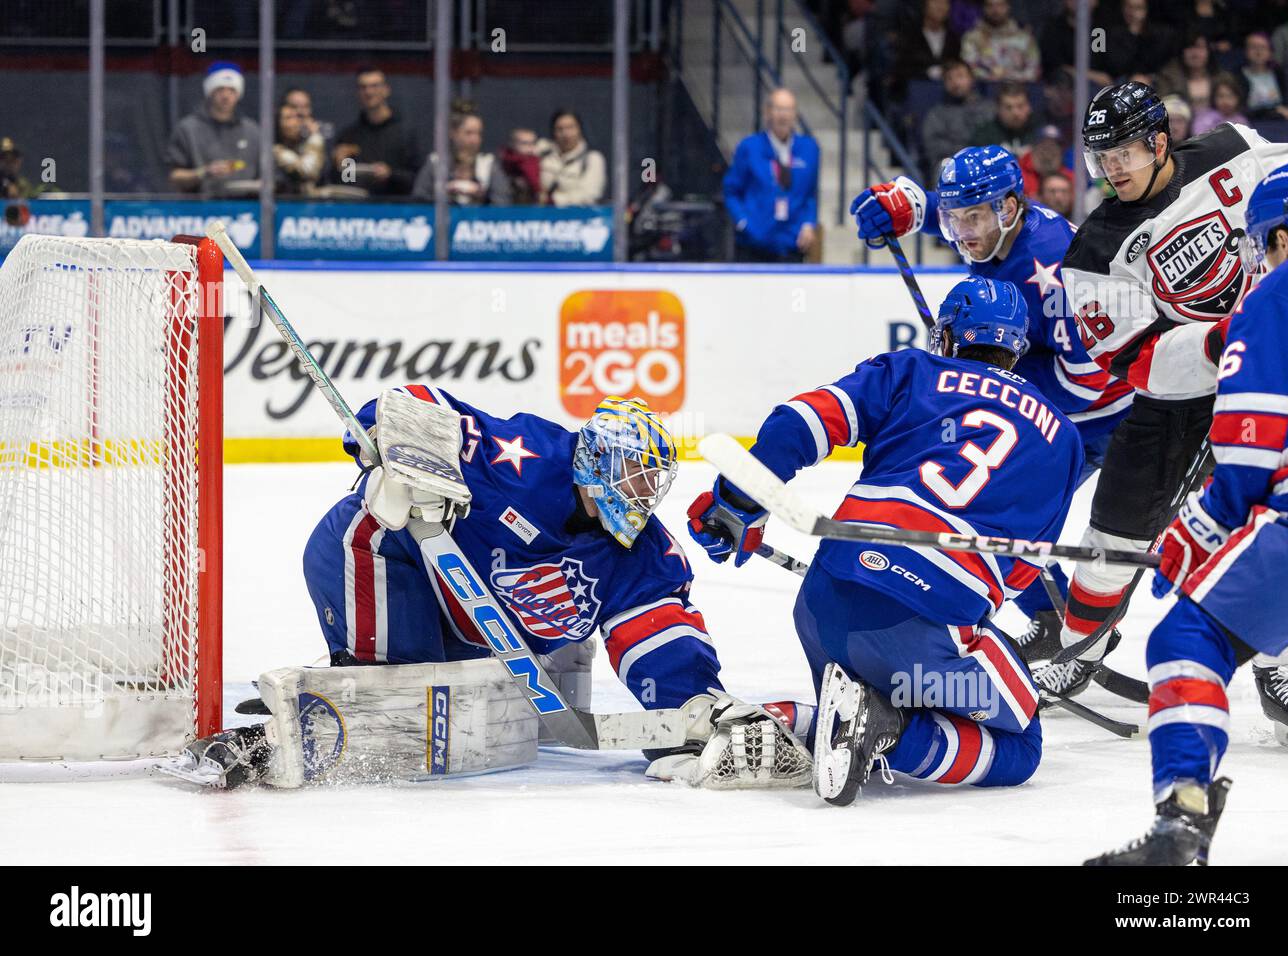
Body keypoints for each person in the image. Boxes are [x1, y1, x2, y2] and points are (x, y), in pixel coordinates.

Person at [178, 391, 812, 789]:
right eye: (629, 479)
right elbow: (415, 404)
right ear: (592, 461)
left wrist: (692, 714)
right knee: (369, 541)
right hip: (400, 570)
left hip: (485, 644)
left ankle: (359, 694)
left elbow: (660, 634)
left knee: (432, 704)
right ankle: (328, 709)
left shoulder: (643, 553)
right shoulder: (525, 460)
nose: (639, 499)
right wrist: (390, 452)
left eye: (651, 486)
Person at [687, 277, 1082, 804]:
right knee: (1022, 744)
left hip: (825, 604)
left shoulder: (910, 371)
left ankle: (797, 721)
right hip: (928, 622)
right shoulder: (1063, 437)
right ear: (1017, 347)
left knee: (867, 692)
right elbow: (1021, 571)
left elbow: (799, 424)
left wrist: (736, 505)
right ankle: (888, 733)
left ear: (946, 337)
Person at [1039, 81, 1288, 718]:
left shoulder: (1233, 148)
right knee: (1114, 529)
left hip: (1264, 377)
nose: (1110, 169)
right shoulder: (1095, 250)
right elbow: (1136, 361)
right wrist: (1227, 336)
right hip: (1178, 396)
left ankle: (1282, 666)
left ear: (1159, 142)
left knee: (1274, 520)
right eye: (1100, 157)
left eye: (1123, 151)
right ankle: (1079, 648)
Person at [1086, 164, 1288, 866]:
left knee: (1186, 637)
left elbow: (1247, 453)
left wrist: (1196, 532)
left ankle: (1180, 825)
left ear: (1283, 236)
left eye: (1265, 245)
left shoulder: (1280, 290)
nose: (1263, 259)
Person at [850, 145, 1132, 649]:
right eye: (953, 220)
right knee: (990, 506)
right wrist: (911, 207)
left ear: (1007, 207)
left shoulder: (1055, 265)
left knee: (1004, 510)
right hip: (1058, 408)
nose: (963, 233)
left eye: (973, 218)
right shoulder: (998, 226)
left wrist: (994, 386)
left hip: (1100, 418)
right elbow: (959, 212)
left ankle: (1083, 629)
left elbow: (1086, 377)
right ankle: (1056, 620)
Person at [722, 88, 820, 263]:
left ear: (795, 114)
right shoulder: (749, 147)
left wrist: (808, 223)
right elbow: (731, 190)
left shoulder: (809, 149)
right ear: (767, 112)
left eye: (788, 109)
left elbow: (810, 195)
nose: (783, 116)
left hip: (791, 244)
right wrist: (744, 223)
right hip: (753, 246)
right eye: (778, 109)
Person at [165, 61, 261, 196]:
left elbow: (267, 177)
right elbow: (174, 177)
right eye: (220, 89)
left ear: (239, 94)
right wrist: (204, 172)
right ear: (209, 91)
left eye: (232, 90)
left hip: (245, 210)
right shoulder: (188, 129)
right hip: (200, 210)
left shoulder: (253, 131)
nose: (226, 96)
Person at [331, 67, 420, 197]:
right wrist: (340, 163)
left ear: (386, 90)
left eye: (375, 86)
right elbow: (346, 181)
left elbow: (417, 180)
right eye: (363, 87)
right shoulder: (349, 136)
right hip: (358, 210)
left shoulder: (405, 134)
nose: (369, 92)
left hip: (397, 210)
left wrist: (390, 174)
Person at [411, 109, 511, 205]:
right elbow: (419, 198)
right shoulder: (436, 161)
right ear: (453, 133)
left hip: (479, 219)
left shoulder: (488, 163)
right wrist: (445, 194)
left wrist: (481, 196)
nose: (475, 140)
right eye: (469, 133)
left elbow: (501, 203)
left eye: (478, 133)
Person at [920, 59, 995, 181]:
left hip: (985, 163)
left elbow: (995, 140)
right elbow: (933, 147)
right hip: (953, 164)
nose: (955, 83)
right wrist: (966, 153)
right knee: (944, 166)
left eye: (960, 76)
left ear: (971, 79)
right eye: (949, 78)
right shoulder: (937, 114)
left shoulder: (989, 109)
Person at [959, 0, 1040, 82]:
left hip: (1020, 88)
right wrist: (992, 76)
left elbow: (1034, 71)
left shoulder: (1024, 36)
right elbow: (969, 68)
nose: (995, 10)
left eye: (1000, 5)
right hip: (984, 88)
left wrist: (1007, 75)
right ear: (983, 8)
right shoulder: (971, 37)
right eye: (990, 6)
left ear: (1008, 7)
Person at [539, 110, 607, 206]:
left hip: (578, 217)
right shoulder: (543, 155)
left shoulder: (593, 159)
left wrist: (553, 200)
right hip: (542, 217)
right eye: (560, 129)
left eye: (570, 127)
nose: (565, 134)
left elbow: (590, 195)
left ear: (579, 129)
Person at [1238, 32, 1288, 123]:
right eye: (1253, 47)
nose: (1258, 52)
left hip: (1282, 124)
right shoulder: (1235, 77)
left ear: (1270, 52)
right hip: (1250, 124)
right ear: (1246, 51)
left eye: (1263, 48)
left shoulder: (1281, 75)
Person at [971, 82, 1039, 157]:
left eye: (1020, 106)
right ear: (998, 109)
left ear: (1029, 107)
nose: (1015, 113)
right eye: (1008, 107)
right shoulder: (983, 137)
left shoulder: (1039, 133)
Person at [273, 102, 325, 195]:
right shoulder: (276, 151)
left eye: (297, 117)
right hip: (286, 205)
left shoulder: (304, 148)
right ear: (278, 124)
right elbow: (307, 170)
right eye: (289, 118)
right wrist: (314, 136)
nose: (296, 122)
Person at [499, 127, 543, 204]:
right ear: (513, 145)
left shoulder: (538, 163)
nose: (529, 148)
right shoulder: (502, 164)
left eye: (532, 143)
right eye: (524, 143)